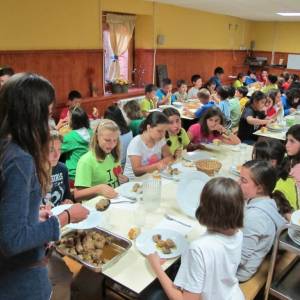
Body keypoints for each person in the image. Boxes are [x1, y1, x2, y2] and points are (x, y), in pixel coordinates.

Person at [0, 73, 88, 300]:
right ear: (31, 114)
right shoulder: (20, 158)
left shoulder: (6, 147)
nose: (49, 122)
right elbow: (12, 240)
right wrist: (64, 218)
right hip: (19, 281)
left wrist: (31, 215)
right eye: (48, 114)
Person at [147, 177, 245, 300]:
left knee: (151, 295)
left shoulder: (198, 248)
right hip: (231, 294)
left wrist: (156, 266)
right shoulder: (238, 233)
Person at [237, 160, 287, 282]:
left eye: (243, 181)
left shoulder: (254, 218)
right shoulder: (267, 200)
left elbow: (239, 260)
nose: (237, 183)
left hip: (239, 273)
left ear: (259, 188)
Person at [74, 119, 128, 201]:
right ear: (97, 137)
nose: (112, 145)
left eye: (115, 140)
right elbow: (77, 195)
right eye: (107, 140)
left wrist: (124, 180)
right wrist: (98, 189)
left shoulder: (114, 155)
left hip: (115, 201)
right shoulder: (86, 161)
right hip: (96, 206)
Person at [124, 111, 173, 179]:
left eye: (165, 131)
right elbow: (137, 171)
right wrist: (157, 165)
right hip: (133, 181)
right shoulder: (136, 143)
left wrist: (161, 163)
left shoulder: (160, 139)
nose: (163, 135)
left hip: (151, 177)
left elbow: (169, 157)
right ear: (149, 128)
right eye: (159, 131)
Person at [252, 139, 298, 211]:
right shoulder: (280, 174)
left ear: (273, 162)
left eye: (257, 157)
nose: (253, 160)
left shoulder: (275, 188)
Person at [61, 106, 93, 183]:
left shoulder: (71, 137)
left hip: (74, 176)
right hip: (88, 172)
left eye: (68, 116)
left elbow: (56, 149)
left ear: (73, 121)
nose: (66, 118)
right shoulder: (90, 132)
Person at [43, 130, 72, 207]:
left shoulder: (63, 169)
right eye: (51, 150)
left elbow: (67, 196)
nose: (57, 155)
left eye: (59, 149)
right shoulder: (32, 172)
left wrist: (68, 201)